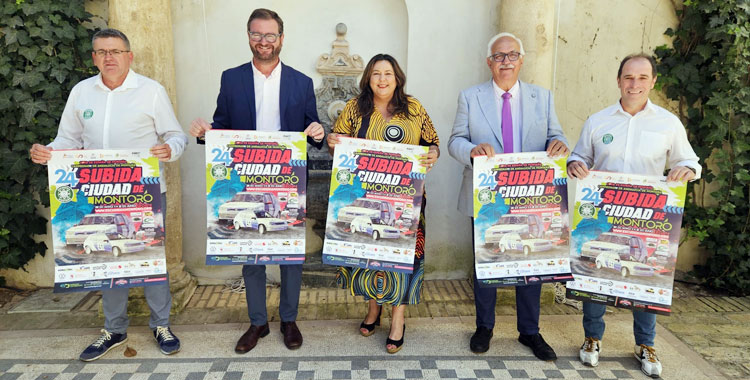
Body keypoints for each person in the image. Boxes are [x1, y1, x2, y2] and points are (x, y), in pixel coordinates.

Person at [29, 28, 187, 361]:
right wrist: (48, 151)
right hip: (96, 194)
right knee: (107, 262)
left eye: (115, 51)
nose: (109, 58)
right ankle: (114, 329)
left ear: (129, 56)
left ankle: (161, 324)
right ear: (93, 58)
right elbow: (67, 140)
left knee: (150, 260)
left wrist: (167, 149)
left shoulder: (151, 91)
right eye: (101, 52)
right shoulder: (82, 92)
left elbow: (177, 136)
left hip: (143, 194)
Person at [188, 8, 325, 353]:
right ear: (248, 36)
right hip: (245, 178)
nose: (264, 41)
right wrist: (206, 134)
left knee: (290, 252)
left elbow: (313, 129)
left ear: (282, 38)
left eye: (270, 35)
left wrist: (318, 131)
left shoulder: (301, 82)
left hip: (287, 180)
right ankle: (258, 322)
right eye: (257, 34)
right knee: (251, 252)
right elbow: (222, 126)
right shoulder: (231, 78)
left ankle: (289, 320)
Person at [567, 53, 701, 378]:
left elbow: (692, 162)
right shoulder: (598, 121)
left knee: (644, 279)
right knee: (596, 276)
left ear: (653, 81)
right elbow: (578, 156)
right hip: (603, 217)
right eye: (629, 77)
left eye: (642, 78)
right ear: (618, 81)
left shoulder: (668, 123)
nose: (635, 84)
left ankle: (645, 343)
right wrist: (574, 164)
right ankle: (592, 337)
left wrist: (685, 169)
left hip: (647, 220)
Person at [447, 32, 569, 360]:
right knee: (487, 265)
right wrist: (472, 150)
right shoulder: (470, 97)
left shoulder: (542, 98)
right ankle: (484, 327)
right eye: (499, 56)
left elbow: (555, 135)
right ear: (489, 62)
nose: (506, 62)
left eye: (512, 55)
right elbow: (454, 140)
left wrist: (559, 144)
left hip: (531, 199)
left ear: (521, 61)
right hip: (487, 198)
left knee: (531, 264)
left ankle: (529, 332)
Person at [326, 54, 439, 354]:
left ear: (397, 77)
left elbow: (432, 142)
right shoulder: (354, 108)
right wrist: (332, 142)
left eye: (388, 73)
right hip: (365, 200)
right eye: (376, 73)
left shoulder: (413, 108)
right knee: (368, 255)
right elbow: (338, 144)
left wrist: (433, 154)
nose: (382, 79)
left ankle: (397, 319)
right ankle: (374, 309)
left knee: (402, 259)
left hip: (406, 202)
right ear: (368, 78)